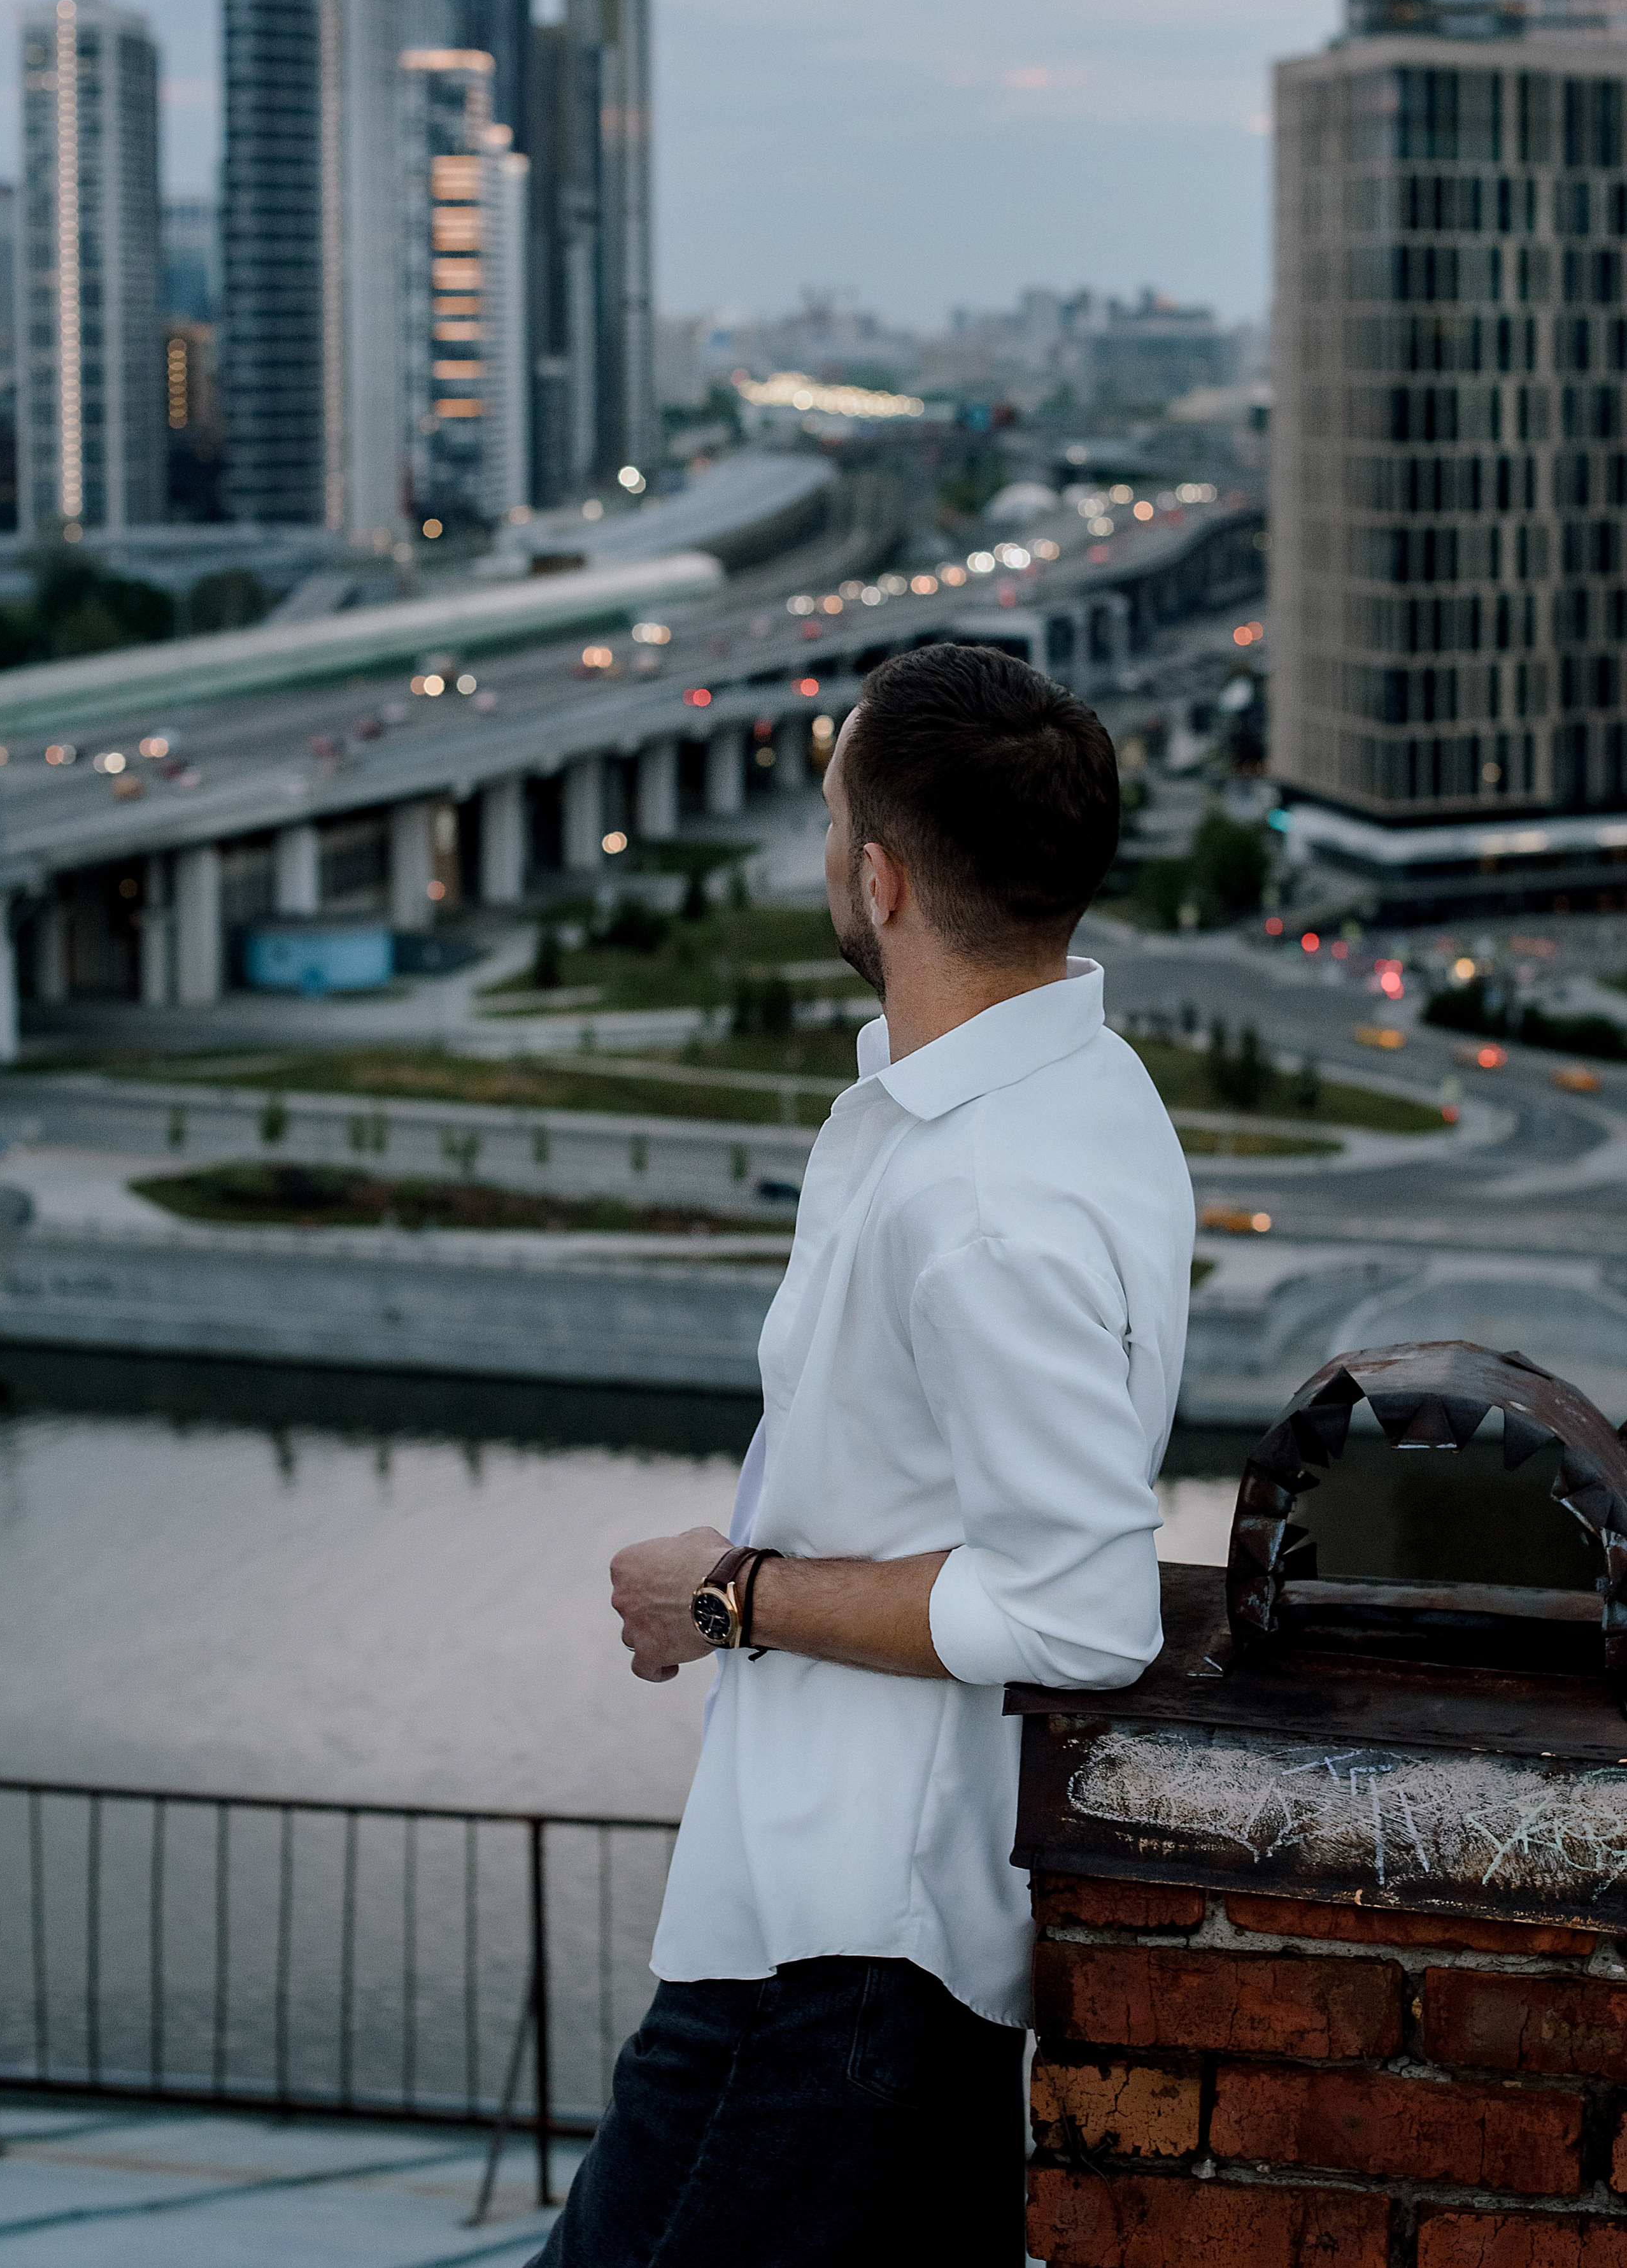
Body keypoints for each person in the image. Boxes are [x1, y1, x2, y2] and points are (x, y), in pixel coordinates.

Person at [529, 643, 1193, 2267]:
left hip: (843, 1972)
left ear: (879, 880)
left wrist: (729, 1593)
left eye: (832, 822)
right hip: (836, 1952)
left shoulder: (980, 1200)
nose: (824, 856)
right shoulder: (1066, 1093)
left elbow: (1081, 1609)